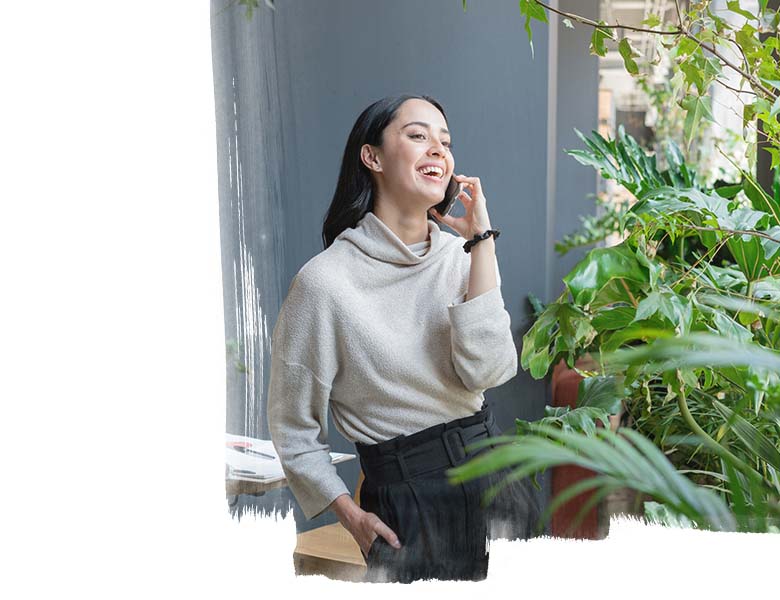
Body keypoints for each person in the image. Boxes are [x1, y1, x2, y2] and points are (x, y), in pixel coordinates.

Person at [267, 94, 542, 583]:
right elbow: (293, 429)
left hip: (497, 482)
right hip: (409, 503)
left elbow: (490, 371)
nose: (437, 148)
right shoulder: (324, 283)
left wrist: (482, 242)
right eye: (418, 135)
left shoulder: (464, 256)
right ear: (372, 157)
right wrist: (348, 515)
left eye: (445, 141)